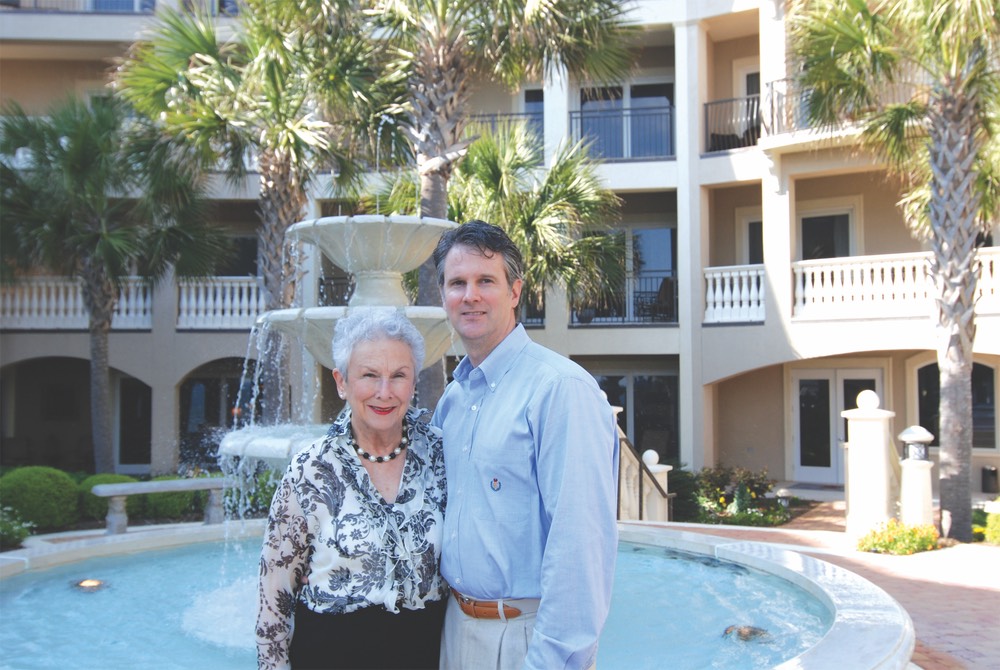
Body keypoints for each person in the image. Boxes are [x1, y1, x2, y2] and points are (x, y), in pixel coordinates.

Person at [431, 220, 620, 670]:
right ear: (443, 296)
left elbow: (580, 544)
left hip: (524, 640)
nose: (470, 295)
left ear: (515, 291)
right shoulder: (453, 400)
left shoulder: (560, 390)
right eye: (457, 283)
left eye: (486, 281)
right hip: (453, 629)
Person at [256, 308, 448, 670]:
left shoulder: (442, 457)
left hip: (423, 656)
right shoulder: (309, 469)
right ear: (341, 381)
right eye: (369, 375)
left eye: (398, 376)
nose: (384, 392)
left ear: (413, 382)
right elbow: (274, 598)